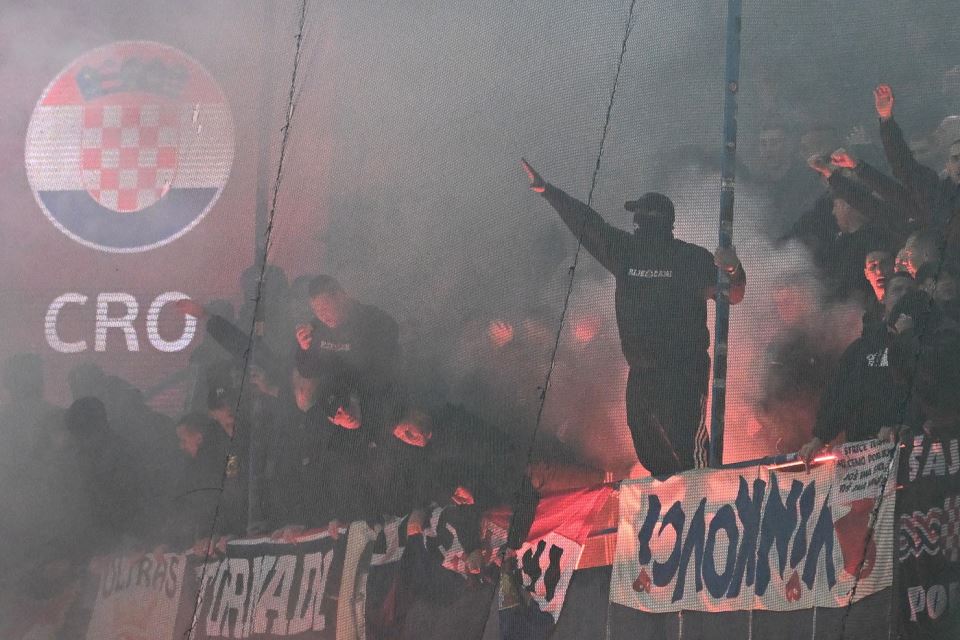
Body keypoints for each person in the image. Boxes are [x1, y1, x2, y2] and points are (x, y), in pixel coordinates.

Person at [521, 159, 746, 474]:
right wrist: (549, 192)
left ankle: (701, 487)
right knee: (645, 437)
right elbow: (588, 225)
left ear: (644, 220)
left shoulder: (688, 258)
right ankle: (672, 486)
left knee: (686, 440)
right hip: (642, 370)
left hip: (683, 369)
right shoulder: (628, 251)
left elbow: (732, 295)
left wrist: (734, 270)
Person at [799, 271, 917, 464]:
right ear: (883, 298)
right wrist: (819, 438)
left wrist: (903, 424)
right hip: (863, 456)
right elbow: (842, 394)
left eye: (909, 291)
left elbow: (929, 389)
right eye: (897, 290)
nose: (904, 294)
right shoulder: (861, 348)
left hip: (913, 453)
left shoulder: (928, 340)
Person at [295, 275, 400, 436]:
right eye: (316, 311)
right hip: (335, 395)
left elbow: (384, 366)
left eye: (325, 307)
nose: (322, 315)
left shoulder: (373, 320)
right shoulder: (316, 328)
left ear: (341, 297)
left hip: (369, 388)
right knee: (305, 396)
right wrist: (305, 348)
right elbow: (308, 372)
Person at [874, 84, 960, 252]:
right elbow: (904, 166)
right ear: (948, 166)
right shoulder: (936, 194)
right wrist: (886, 120)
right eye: (955, 159)